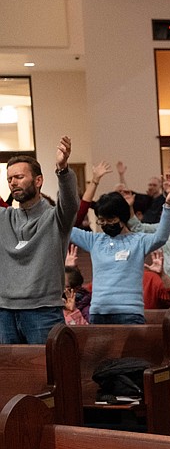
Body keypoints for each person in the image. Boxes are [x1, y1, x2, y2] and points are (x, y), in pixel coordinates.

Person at [0, 137, 78, 343]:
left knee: (47, 372)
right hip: (5, 312)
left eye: (18, 177)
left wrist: (62, 169)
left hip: (42, 311)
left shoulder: (55, 218)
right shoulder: (4, 218)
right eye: (9, 179)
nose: (13, 183)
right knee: (13, 374)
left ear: (38, 180)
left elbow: (70, 203)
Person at [69, 189, 170, 325]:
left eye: (111, 219)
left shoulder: (138, 240)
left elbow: (161, 237)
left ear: (122, 217)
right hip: (98, 313)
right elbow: (66, 228)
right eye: (101, 221)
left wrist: (168, 205)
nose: (106, 224)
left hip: (129, 313)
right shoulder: (95, 240)